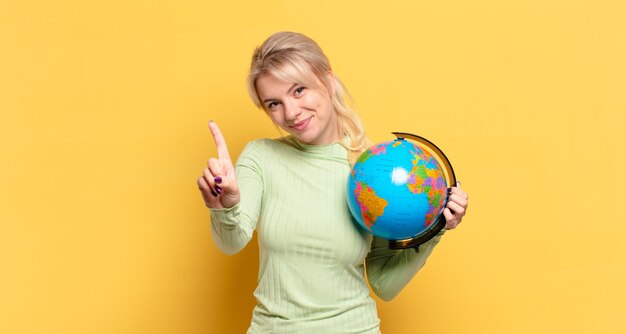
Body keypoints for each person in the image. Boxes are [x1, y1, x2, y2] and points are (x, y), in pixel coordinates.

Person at [197, 31, 469, 334]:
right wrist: (225, 206)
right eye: (274, 103)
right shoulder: (262, 157)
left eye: (299, 90)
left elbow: (384, 284)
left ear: (327, 80)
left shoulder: (371, 170)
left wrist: (435, 230)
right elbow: (231, 242)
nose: (290, 112)